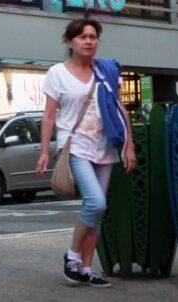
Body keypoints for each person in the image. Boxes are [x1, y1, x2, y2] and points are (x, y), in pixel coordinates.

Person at [36, 18, 136, 288]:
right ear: (70, 42)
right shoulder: (57, 73)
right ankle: (72, 256)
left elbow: (120, 109)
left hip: (105, 146)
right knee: (96, 203)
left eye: (93, 37)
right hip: (76, 144)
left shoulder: (105, 71)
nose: (89, 41)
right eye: (82, 37)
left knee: (96, 211)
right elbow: (49, 116)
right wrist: (44, 151)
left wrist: (129, 145)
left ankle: (87, 268)